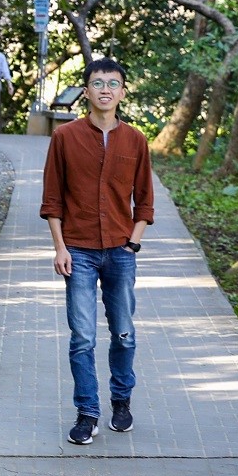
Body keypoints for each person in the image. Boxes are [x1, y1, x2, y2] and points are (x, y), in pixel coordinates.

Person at [40, 57, 154, 445]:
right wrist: (60, 248)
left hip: (121, 251)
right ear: (85, 91)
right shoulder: (65, 138)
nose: (105, 88)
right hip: (79, 251)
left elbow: (146, 201)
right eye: (98, 82)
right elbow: (52, 199)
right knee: (83, 338)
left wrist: (133, 240)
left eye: (114, 82)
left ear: (122, 91)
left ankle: (121, 401)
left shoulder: (136, 140)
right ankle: (87, 412)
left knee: (123, 333)